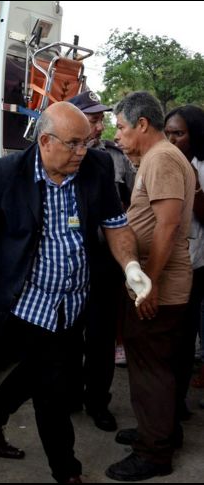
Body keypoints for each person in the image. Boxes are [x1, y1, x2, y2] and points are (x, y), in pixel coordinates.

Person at [0, 102, 150, 483]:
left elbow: (115, 224)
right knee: (53, 387)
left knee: (39, 370)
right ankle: (67, 471)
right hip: (29, 301)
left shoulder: (96, 167)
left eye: (86, 143)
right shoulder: (5, 174)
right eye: (74, 144)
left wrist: (131, 266)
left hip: (74, 300)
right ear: (45, 141)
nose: (82, 152)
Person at [106, 92, 196, 482]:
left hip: (159, 285)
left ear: (142, 124)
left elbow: (168, 225)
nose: (118, 135)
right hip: (156, 281)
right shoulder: (157, 158)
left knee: (150, 370)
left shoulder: (161, 158)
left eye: (122, 127)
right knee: (158, 365)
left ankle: (154, 453)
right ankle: (159, 431)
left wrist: (150, 282)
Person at [65, 90, 137, 432]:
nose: (100, 125)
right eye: (93, 119)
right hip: (66, 261)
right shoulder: (56, 156)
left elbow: (130, 206)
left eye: (100, 119)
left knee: (101, 336)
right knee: (66, 335)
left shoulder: (113, 157)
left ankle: (97, 400)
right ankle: (68, 394)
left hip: (104, 260)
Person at [163, 105, 204, 409]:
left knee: (183, 337)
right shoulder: (164, 160)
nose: (172, 139)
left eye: (179, 133)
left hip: (194, 264)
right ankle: (170, 410)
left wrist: (194, 183)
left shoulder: (199, 166)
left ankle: (174, 410)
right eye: (168, 133)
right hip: (166, 261)